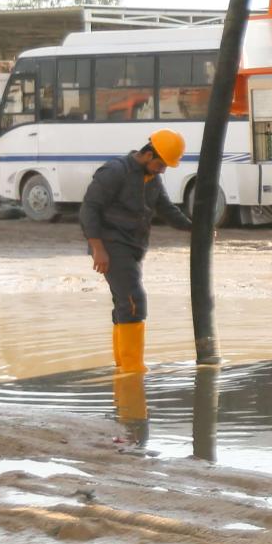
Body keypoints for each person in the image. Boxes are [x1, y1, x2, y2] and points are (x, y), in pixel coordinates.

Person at [80, 128, 193, 373]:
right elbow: (89, 209)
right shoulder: (115, 172)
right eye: (160, 164)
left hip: (133, 246)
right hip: (111, 244)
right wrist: (98, 248)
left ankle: (123, 365)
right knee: (133, 302)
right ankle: (133, 371)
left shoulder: (152, 179)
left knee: (124, 302)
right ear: (148, 153)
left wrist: (194, 228)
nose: (162, 170)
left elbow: (166, 210)